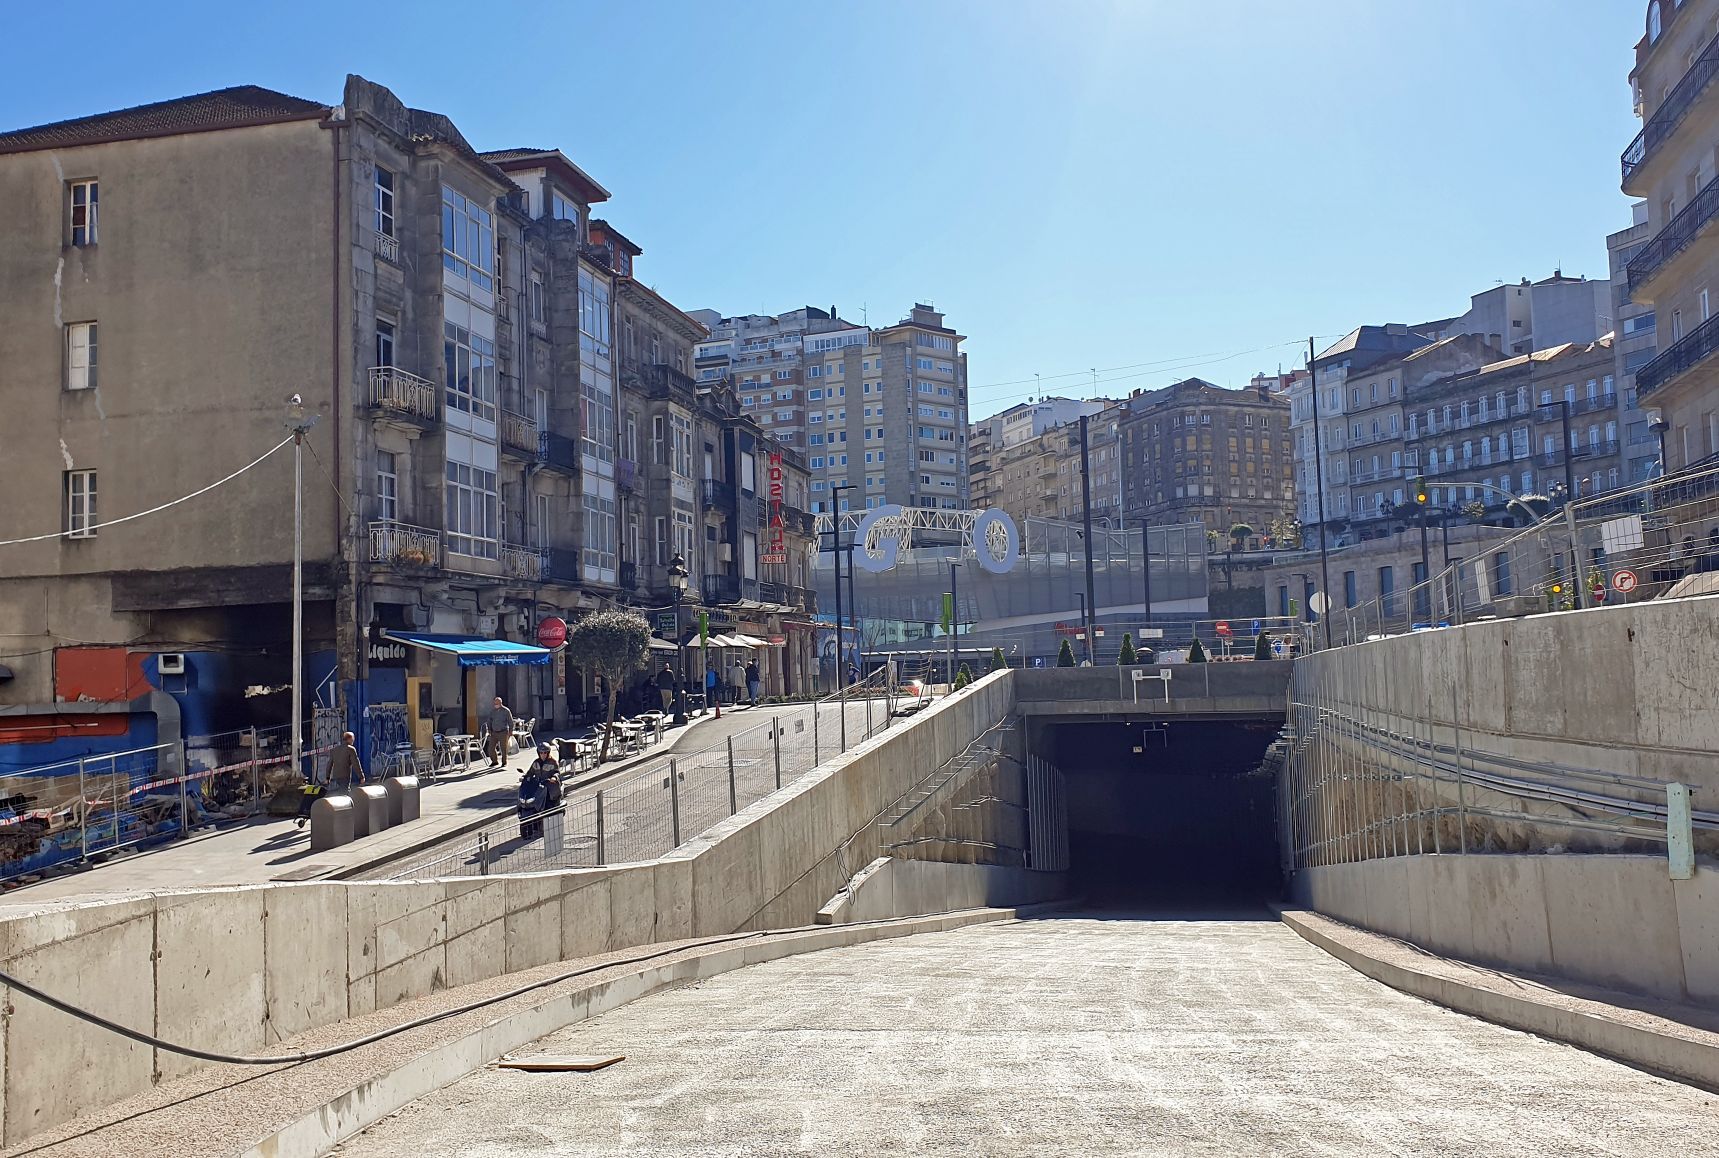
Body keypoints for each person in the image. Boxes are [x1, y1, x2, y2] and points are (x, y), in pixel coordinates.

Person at [296, 731, 362, 828]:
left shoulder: (335, 749)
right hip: (345, 776)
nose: (354, 740)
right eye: (353, 738)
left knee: (339, 793)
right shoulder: (351, 749)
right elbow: (356, 763)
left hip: (335, 776)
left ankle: (339, 813)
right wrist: (361, 776)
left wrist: (327, 777)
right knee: (345, 795)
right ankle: (343, 816)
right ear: (349, 739)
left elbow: (329, 764)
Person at [518, 742, 562, 841]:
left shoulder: (553, 762)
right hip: (538, 787)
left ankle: (547, 826)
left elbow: (557, 772)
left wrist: (554, 778)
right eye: (541, 752)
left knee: (548, 805)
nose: (543, 754)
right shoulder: (536, 762)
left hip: (550, 787)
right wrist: (525, 777)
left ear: (548, 753)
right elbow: (530, 773)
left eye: (545, 752)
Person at [484, 697, 515, 767]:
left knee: (503, 748)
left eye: (497, 703)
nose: (495, 705)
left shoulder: (506, 711)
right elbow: (489, 721)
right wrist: (489, 729)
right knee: (491, 748)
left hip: (503, 732)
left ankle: (504, 762)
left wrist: (511, 731)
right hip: (494, 732)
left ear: (500, 703)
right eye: (495, 703)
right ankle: (494, 761)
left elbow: (510, 721)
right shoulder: (492, 711)